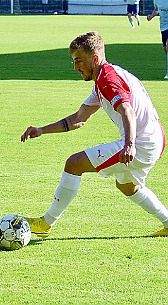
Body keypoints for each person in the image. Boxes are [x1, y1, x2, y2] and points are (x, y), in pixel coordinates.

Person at [21, 31, 168, 238]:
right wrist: (42, 130)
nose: (75, 67)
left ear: (95, 58)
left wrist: (129, 144)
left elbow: (127, 109)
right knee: (127, 186)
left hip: (141, 143)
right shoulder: (104, 78)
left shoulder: (107, 79)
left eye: (78, 60)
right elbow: (78, 119)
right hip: (155, 140)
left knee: (74, 164)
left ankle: (46, 223)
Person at [147, 0, 168, 79]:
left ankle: (167, 73)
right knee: (165, 49)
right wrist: (151, 16)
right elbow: (156, 10)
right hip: (163, 26)